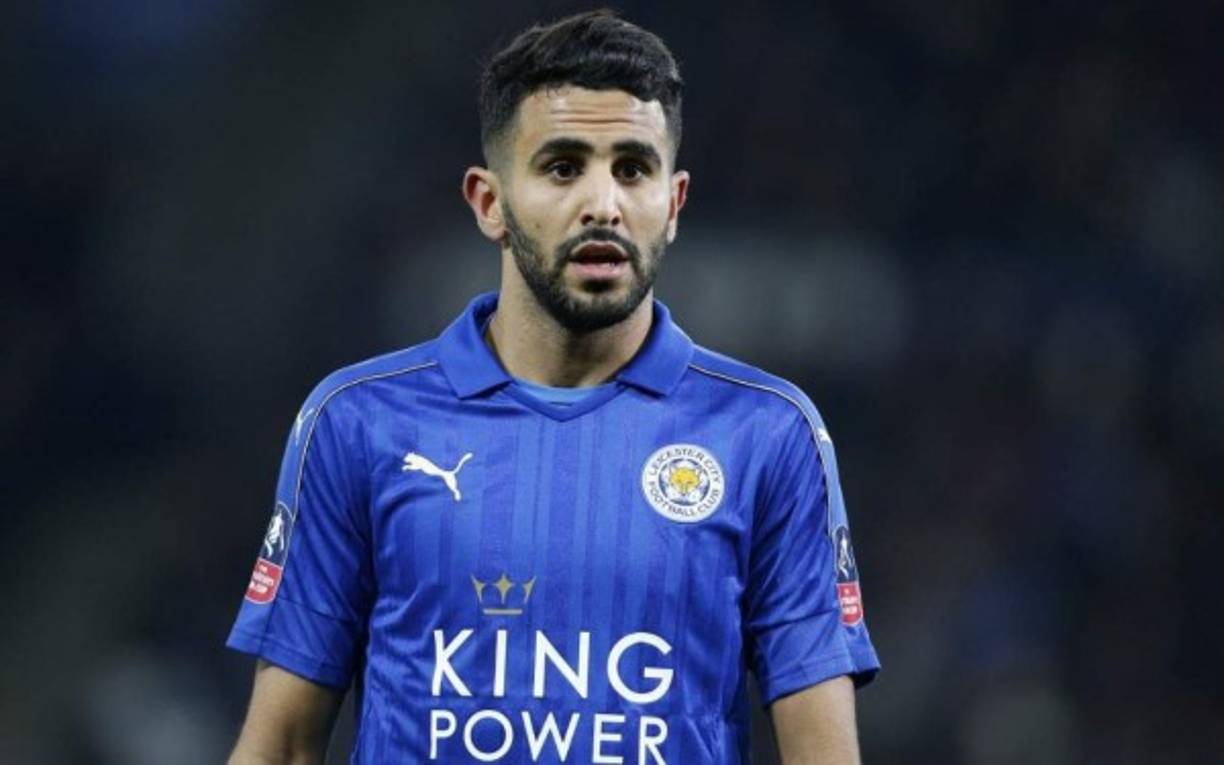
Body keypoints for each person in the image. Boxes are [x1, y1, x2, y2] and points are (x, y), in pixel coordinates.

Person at [225, 10, 879, 764]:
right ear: (488, 202)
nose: (603, 203)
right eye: (563, 166)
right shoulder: (359, 423)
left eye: (633, 168)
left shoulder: (768, 434)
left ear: (674, 202)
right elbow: (280, 744)